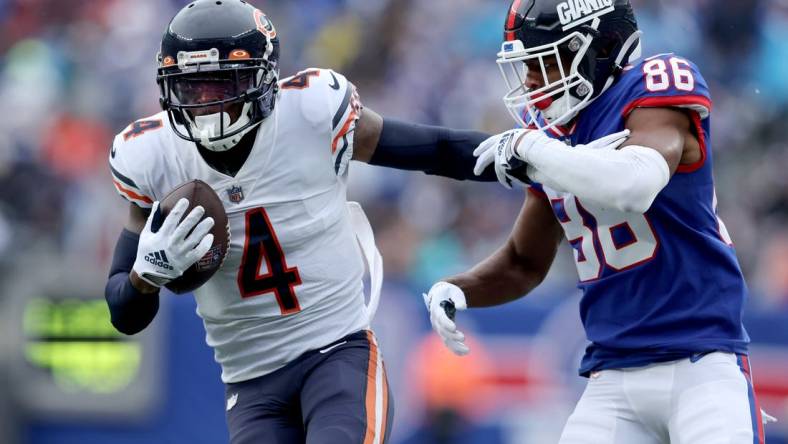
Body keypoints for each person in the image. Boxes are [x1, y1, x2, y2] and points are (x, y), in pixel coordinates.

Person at [103, 1, 495, 443]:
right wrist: (145, 276)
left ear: (263, 78)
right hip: (251, 384)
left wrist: (516, 154)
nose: (208, 103)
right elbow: (124, 313)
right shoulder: (152, 157)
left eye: (223, 83)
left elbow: (432, 149)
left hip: (337, 354)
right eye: (193, 89)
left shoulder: (310, 113)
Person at [423, 0, 768, 443]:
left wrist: (535, 150)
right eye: (526, 63)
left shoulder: (652, 89)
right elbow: (523, 262)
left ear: (597, 50)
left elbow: (635, 185)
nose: (530, 78)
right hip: (613, 377)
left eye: (543, 61)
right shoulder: (551, 133)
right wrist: (459, 288)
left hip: (701, 364)